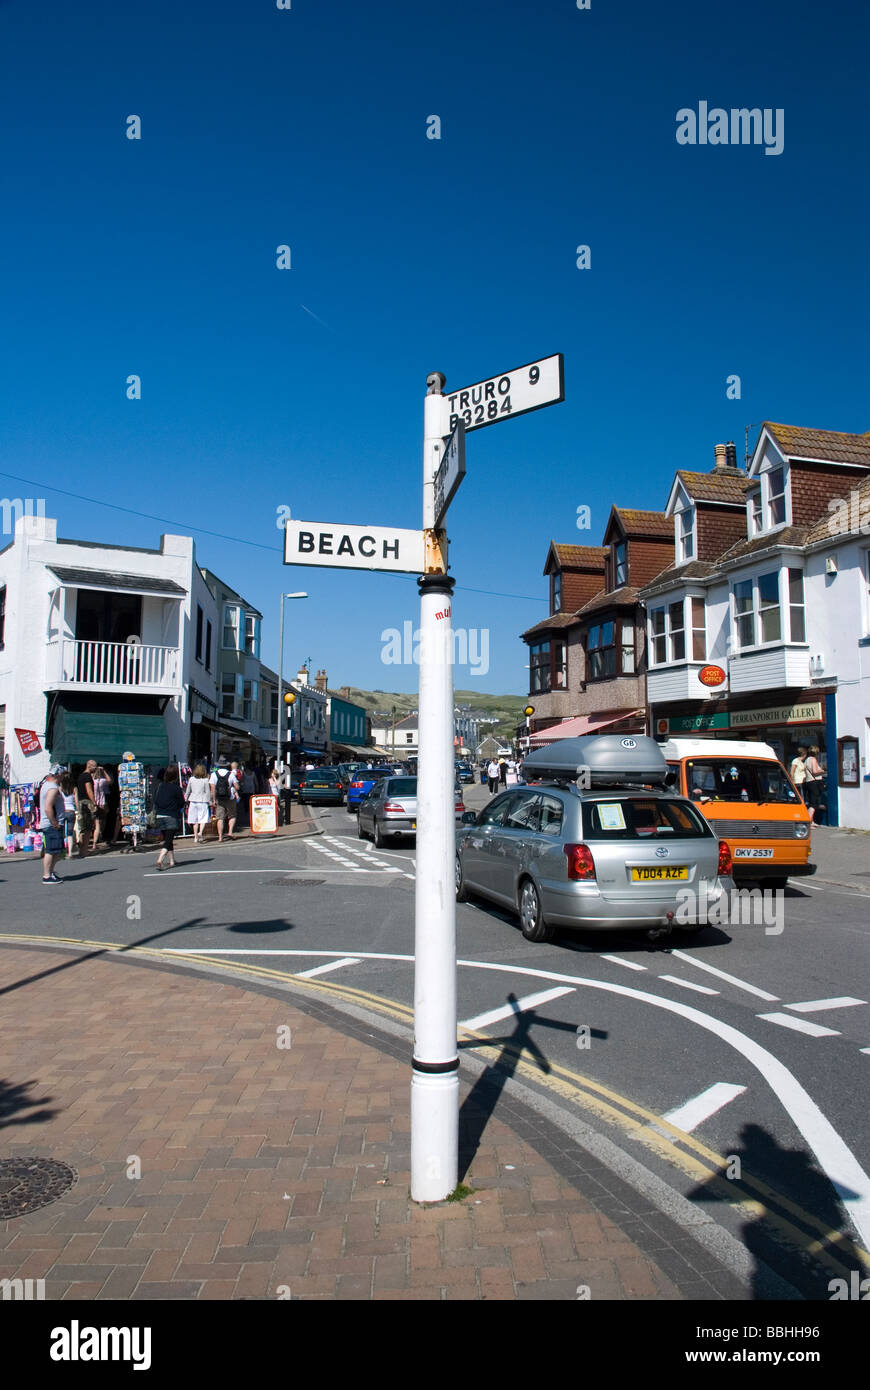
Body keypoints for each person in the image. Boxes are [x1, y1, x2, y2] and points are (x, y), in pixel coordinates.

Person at [154, 764, 185, 869]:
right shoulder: (176, 788)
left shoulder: (160, 786)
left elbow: (156, 800)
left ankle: (172, 861)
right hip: (171, 816)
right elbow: (181, 803)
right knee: (168, 840)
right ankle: (160, 858)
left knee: (168, 839)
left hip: (159, 816)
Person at [39, 766, 66, 883]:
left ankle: (50, 872)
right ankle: (47, 876)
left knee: (55, 850)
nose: (64, 776)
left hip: (50, 823)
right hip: (52, 824)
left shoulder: (46, 785)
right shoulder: (52, 788)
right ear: (58, 775)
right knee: (52, 850)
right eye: (63, 774)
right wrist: (55, 823)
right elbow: (48, 808)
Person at [75, 758, 98, 857]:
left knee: (82, 827)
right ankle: (84, 850)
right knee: (88, 827)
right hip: (86, 803)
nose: (96, 769)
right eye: (94, 767)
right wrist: (94, 803)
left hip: (80, 803)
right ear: (89, 766)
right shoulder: (87, 776)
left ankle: (81, 848)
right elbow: (89, 790)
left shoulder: (80, 776)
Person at [184, 762, 212, 844]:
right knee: (203, 819)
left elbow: (188, 790)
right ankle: (200, 833)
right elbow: (208, 792)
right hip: (203, 801)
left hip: (193, 801)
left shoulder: (191, 779)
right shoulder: (205, 780)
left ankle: (195, 837)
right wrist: (210, 801)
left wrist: (186, 799)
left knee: (194, 820)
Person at [210, 756, 236, 842]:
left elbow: (212, 789)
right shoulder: (231, 774)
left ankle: (220, 837)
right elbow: (237, 786)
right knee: (232, 815)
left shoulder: (214, 774)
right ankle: (230, 832)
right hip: (230, 798)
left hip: (219, 798)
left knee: (220, 818)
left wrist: (213, 800)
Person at [804, 745, 825, 823]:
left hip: (809, 782)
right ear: (817, 752)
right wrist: (823, 771)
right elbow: (815, 772)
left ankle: (811, 821)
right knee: (814, 803)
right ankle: (808, 821)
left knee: (811, 802)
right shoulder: (813, 760)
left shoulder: (807, 760)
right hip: (814, 783)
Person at [91, 765, 110, 850]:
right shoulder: (102, 781)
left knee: (94, 823)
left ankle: (94, 840)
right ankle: (98, 838)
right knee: (100, 822)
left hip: (94, 803)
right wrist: (104, 771)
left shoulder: (92, 781)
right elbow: (109, 780)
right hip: (102, 803)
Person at [59, 772, 77, 859]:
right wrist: (78, 811)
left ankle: (62, 852)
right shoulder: (74, 789)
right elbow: (76, 802)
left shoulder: (60, 788)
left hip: (62, 811)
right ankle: (70, 853)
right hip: (71, 811)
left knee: (61, 833)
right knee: (70, 833)